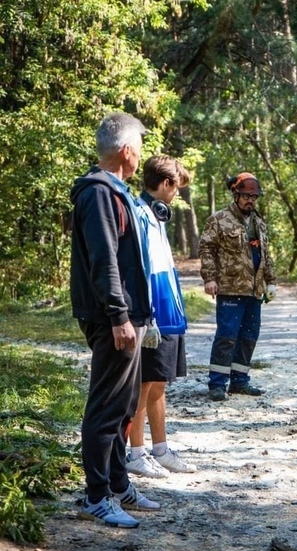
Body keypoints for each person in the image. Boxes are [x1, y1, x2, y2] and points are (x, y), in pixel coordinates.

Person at [69, 113, 160, 529]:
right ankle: (96, 496)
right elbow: (104, 260)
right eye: (138, 147)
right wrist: (119, 316)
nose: (141, 155)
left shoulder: (116, 191)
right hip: (113, 320)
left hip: (128, 317)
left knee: (124, 405)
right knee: (107, 407)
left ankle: (120, 484)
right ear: (126, 151)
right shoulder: (99, 194)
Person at [125, 155, 197, 478]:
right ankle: (136, 453)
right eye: (177, 188)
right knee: (143, 384)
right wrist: (147, 317)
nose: (177, 194)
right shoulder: (140, 215)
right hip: (153, 313)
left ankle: (161, 449)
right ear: (165, 184)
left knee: (159, 384)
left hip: (169, 311)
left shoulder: (157, 216)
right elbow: (139, 268)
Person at [199, 172, 277, 402]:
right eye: (246, 196)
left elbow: (266, 255)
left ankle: (240, 381)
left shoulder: (258, 222)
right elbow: (206, 250)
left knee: (249, 336)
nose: (250, 200)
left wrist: (271, 282)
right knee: (227, 335)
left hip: (254, 289)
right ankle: (217, 384)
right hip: (230, 287)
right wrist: (209, 278)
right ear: (235, 194)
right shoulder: (219, 219)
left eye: (254, 196)